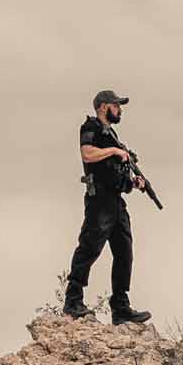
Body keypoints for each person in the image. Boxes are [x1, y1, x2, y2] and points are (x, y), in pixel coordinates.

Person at [65, 88, 152, 324]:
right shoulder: (91, 128)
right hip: (99, 201)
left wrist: (134, 182)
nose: (120, 110)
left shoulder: (112, 135)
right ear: (104, 106)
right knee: (89, 248)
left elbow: (114, 172)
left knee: (125, 252)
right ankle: (73, 301)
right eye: (117, 105)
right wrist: (115, 151)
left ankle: (121, 307)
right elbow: (87, 155)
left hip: (116, 201)